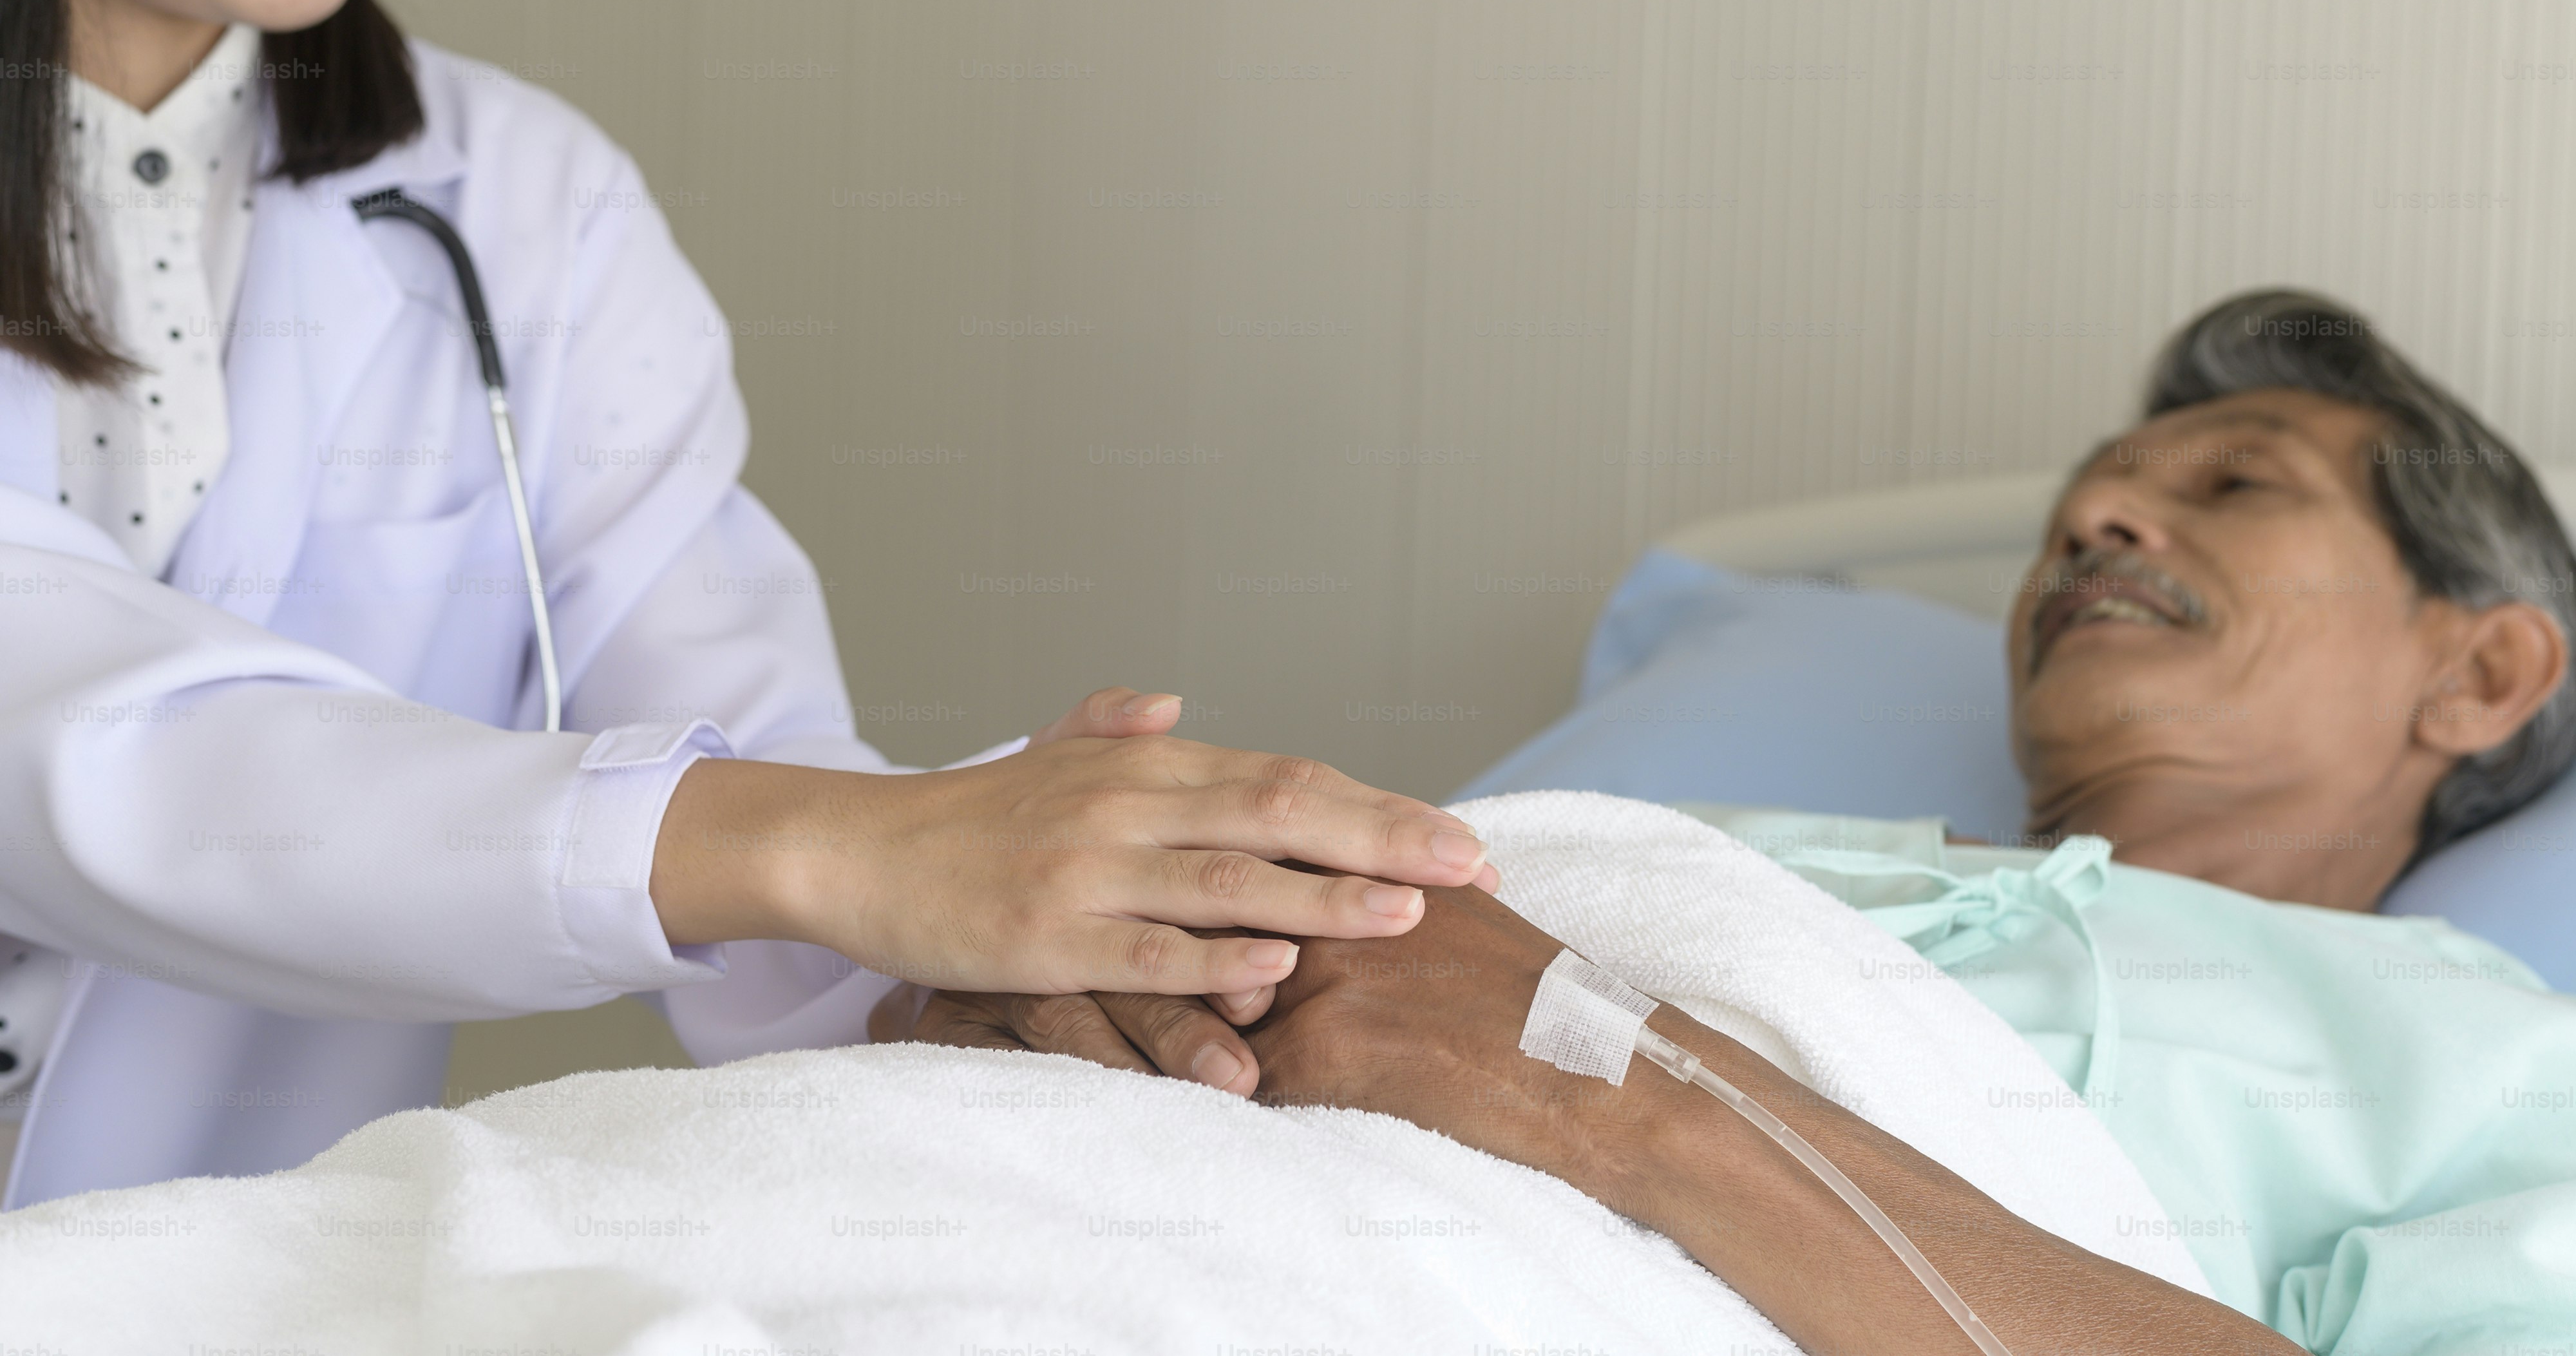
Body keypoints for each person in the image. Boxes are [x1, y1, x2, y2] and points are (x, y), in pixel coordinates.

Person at [0, 0, 1498, 1208]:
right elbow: (94, 738)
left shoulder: (518, 202)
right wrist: (851, 849)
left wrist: (1046, 937)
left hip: (201, 1279)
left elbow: (749, 751)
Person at [906, 292, 2576, 1351]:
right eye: (2083, 503)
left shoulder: (2482, 1055)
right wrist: (1019, 988)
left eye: (2233, 482)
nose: (2097, 515)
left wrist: (1638, 1096)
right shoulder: (1675, 842)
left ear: (2486, 664)